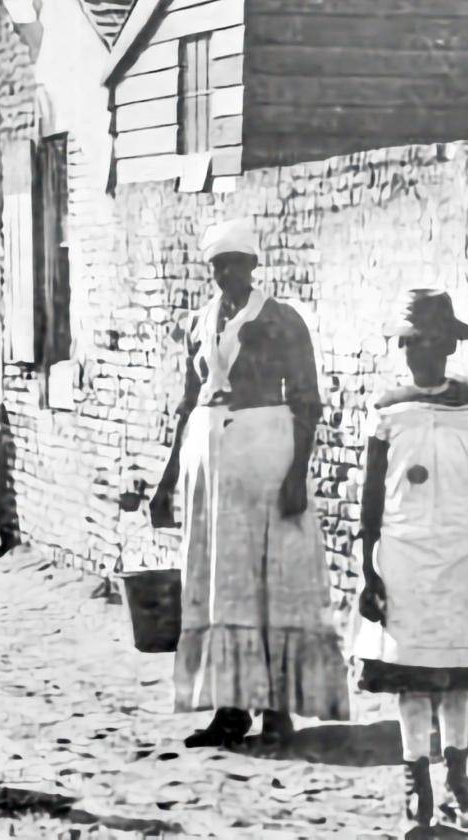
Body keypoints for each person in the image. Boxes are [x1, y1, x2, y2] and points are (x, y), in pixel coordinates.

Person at [148, 218, 349, 749]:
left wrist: (297, 475)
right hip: (208, 462)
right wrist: (165, 481)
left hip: (266, 455)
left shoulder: (282, 321)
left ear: (254, 266)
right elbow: (187, 401)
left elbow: (307, 401)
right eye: (218, 265)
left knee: (273, 581)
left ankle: (279, 709)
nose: (226, 275)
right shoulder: (199, 323)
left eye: (236, 264)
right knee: (220, 582)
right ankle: (229, 709)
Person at [352, 289, 468, 833]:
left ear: (449, 347)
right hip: (403, 555)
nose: (419, 354)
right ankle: (416, 789)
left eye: (430, 344)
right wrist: (369, 570)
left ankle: (457, 785)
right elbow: (371, 495)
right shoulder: (387, 408)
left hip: (462, 551)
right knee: (413, 677)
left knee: (460, 675)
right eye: (410, 344)